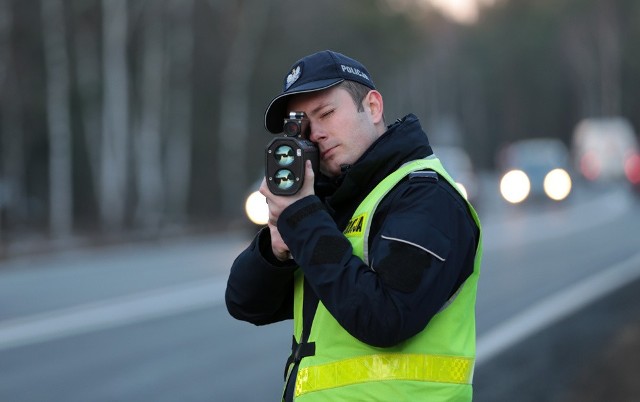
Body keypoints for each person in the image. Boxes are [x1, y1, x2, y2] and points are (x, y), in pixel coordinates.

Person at [225, 50, 482, 401]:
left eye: (327, 114)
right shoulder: (332, 205)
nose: (315, 135)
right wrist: (277, 248)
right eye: (302, 125)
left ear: (373, 107)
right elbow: (245, 303)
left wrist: (304, 217)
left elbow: (386, 317)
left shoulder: (427, 196)